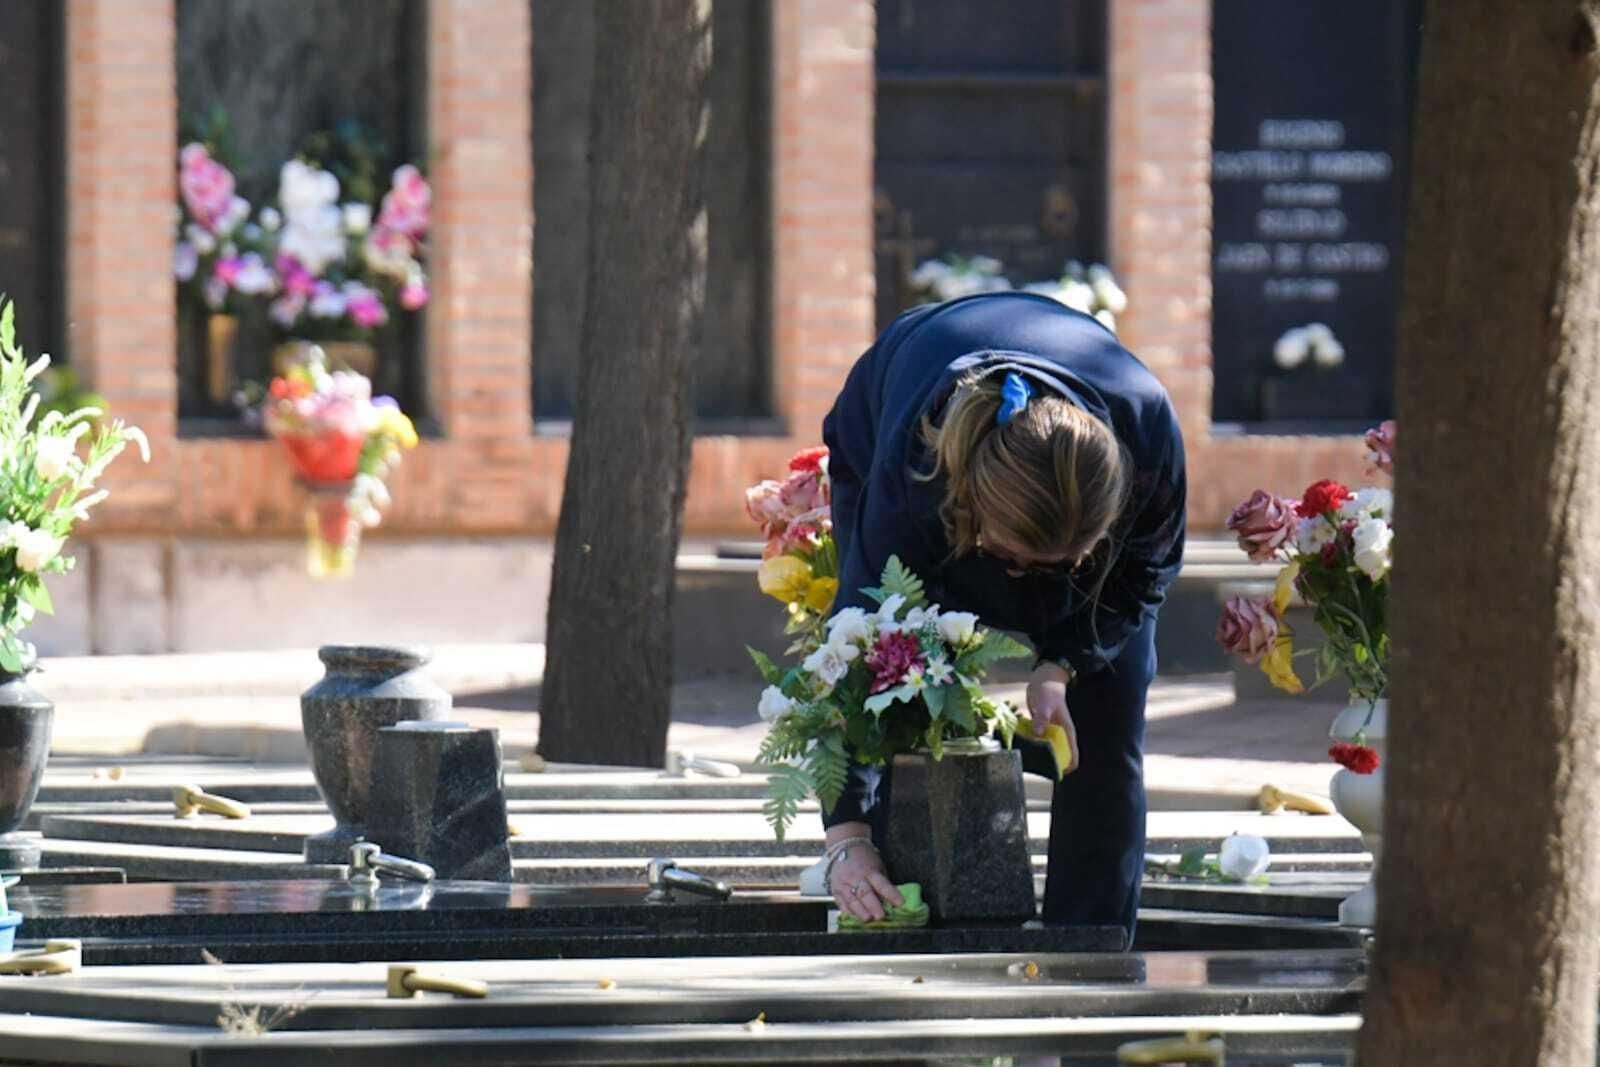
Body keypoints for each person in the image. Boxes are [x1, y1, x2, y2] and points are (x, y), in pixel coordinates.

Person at [816, 290, 1186, 944]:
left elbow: (1144, 576)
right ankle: (905, 910)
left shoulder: (1148, 431)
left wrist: (1062, 661)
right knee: (907, 685)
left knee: (1110, 708)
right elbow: (858, 649)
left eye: (1064, 564)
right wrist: (846, 837)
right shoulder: (915, 480)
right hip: (890, 409)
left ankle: (1090, 947)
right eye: (1011, 558)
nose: (1023, 578)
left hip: (1084, 511)